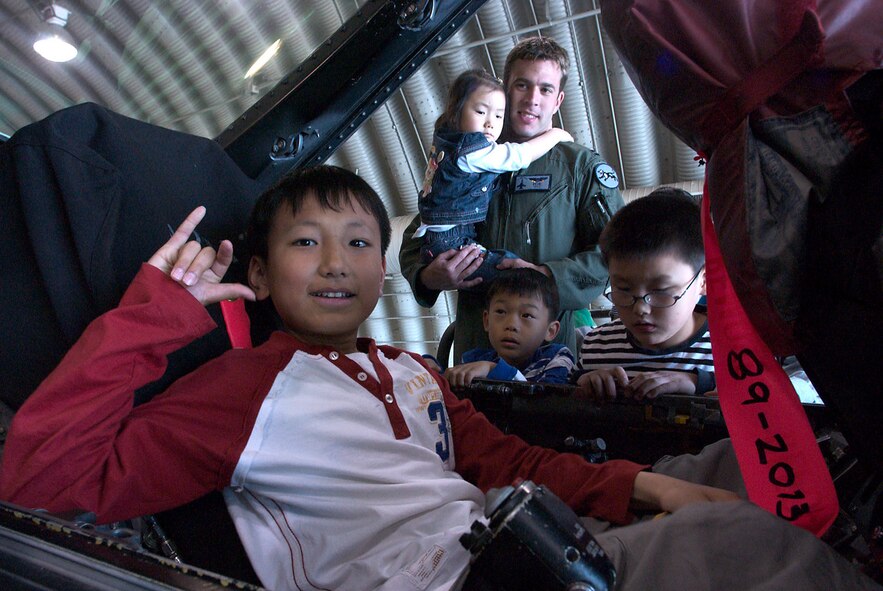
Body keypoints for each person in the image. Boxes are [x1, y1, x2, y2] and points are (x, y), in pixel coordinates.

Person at [2, 166, 879, 591]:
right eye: (307, 242)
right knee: (740, 545)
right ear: (262, 277)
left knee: (740, 464)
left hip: (519, 536)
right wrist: (156, 316)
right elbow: (41, 477)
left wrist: (649, 483)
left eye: (360, 243)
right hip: (446, 582)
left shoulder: (412, 369)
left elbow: (507, 462)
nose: (338, 262)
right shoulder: (242, 388)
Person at [400, 36, 624, 362]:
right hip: (475, 353)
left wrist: (545, 276)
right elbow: (422, 229)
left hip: (549, 359)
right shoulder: (467, 156)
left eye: (545, 89)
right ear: (505, 90)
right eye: (522, 85)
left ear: (558, 100)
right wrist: (427, 276)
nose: (533, 99)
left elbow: (616, 253)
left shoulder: (581, 168)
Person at [415, 69, 573, 286]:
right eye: (481, 112)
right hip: (452, 243)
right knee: (512, 271)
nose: (490, 123)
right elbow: (518, 156)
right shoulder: (471, 151)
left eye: (498, 115)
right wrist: (556, 135)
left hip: (447, 240)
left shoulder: (448, 141)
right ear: (457, 111)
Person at [574, 188, 714, 402]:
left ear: (703, 281)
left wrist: (698, 383)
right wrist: (582, 386)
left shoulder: (731, 352)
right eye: (623, 289)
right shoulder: (597, 347)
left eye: (660, 291)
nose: (640, 309)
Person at [444, 268, 574, 387]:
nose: (511, 325)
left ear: (550, 330)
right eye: (501, 312)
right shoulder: (473, 359)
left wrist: (494, 370)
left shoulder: (556, 358)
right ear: (487, 321)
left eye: (527, 315)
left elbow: (543, 403)